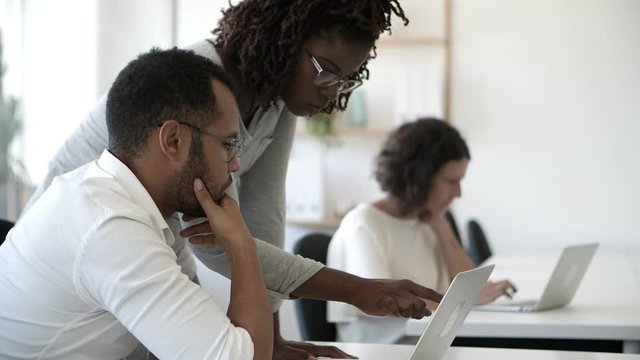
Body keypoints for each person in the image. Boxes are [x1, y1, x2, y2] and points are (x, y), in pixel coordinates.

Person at [20, 1, 435, 359]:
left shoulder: (277, 100)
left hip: (147, 239)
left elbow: (261, 217)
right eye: (326, 72)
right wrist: (355, 290)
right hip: (86, 260)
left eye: (346, 80)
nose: (332, 91)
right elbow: (215, 240)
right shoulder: (200, 91)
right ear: (286, 40)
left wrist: (272, 341)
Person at [0, 48, 275, 359]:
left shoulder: (96, 193)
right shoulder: (111, 226)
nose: (235, 163)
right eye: (228, 144)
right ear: (173, 140)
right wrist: (242, 248)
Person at [326, 118, 516, 344]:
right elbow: (387, 303)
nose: (458, 193)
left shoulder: (427, 221)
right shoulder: (363, 224)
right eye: (451, 181)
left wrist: (441, 227)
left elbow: (468, 285)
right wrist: (466, 301)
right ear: (420, 177)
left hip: (430, 344)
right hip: (387, 351)